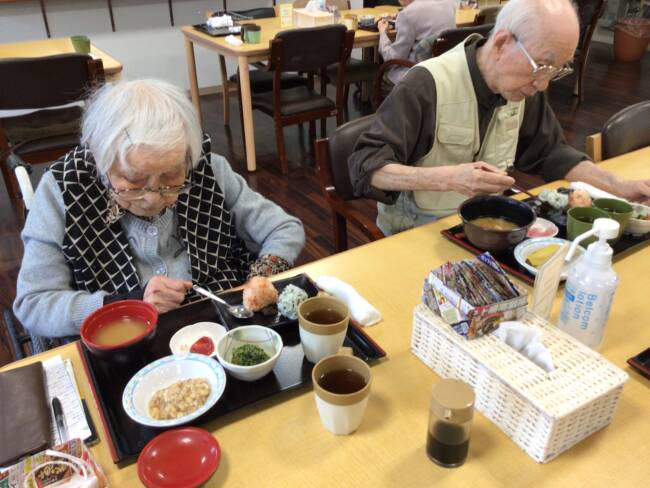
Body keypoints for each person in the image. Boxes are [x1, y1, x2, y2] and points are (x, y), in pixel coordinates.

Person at [13, 79, 305, 337]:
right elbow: (33, 304)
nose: (153, 199)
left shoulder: (205, 166)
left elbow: (283, 228)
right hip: (123, 335)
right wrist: (126, 304)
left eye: (171, 177)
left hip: (222, 321)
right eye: (133, 180)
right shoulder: (64, 189)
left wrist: (259, 281)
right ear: (101, 160)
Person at [349, 0, 650, 235]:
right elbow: (365, 166)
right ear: (501, 43)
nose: (543, 84)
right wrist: (449, 178)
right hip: (417, 232)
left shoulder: (524, 88)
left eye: (557, 70)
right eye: (542, 66)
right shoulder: (426, 85)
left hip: (486, 227)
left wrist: (620, 186)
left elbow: (552, 152)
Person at [377, 0, 456, 86]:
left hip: (416, 76)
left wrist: (382, 33)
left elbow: (393, 58)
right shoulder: (449, 3)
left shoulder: (408, 14)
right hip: (444, 73)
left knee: (377, 72)